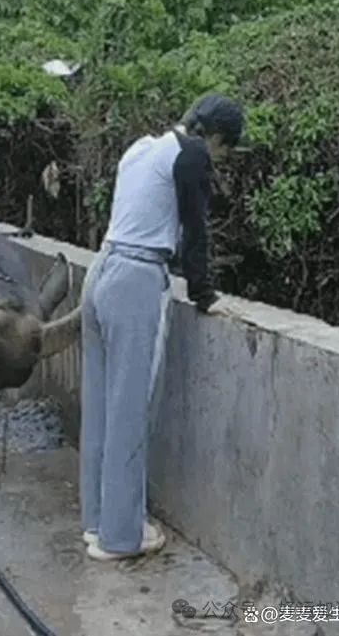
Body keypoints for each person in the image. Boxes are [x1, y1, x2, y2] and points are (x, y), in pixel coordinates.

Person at [79, 93, 245, 561]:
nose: (221, 159)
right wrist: (205, 296)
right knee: (130, 410)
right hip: (135, 278)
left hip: (101, 271)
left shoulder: (141, 147)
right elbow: (195, 230)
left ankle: (96, 522)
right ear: (214, 137)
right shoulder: (191, 153)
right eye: (226, 150)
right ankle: (121, 538)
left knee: (101, 407)